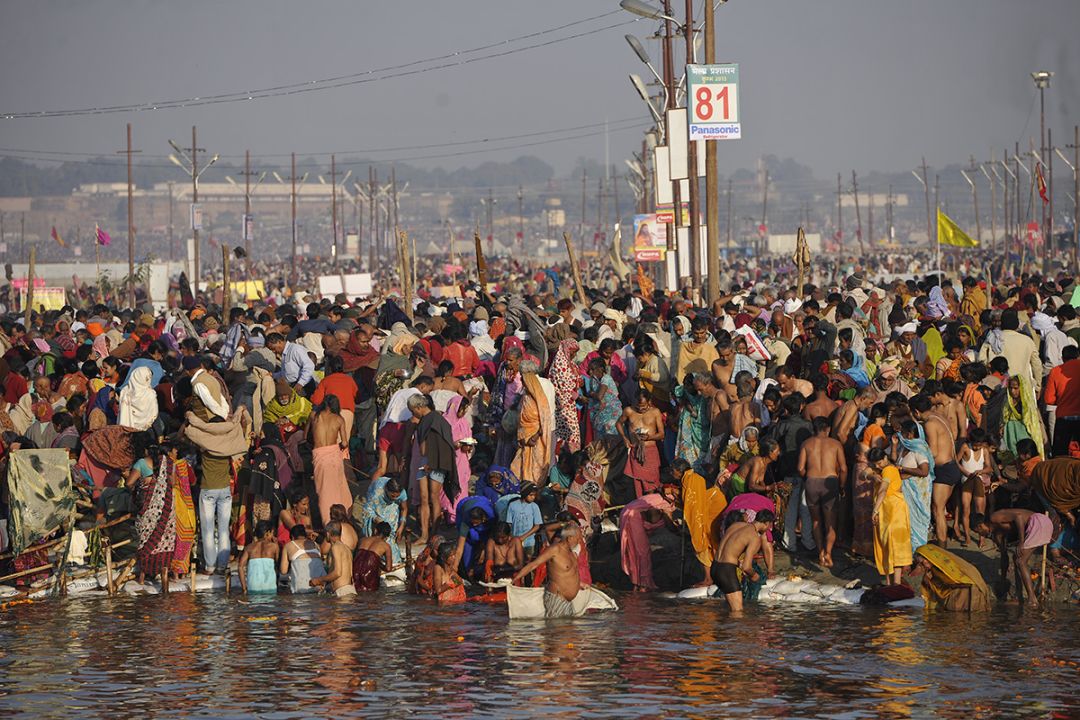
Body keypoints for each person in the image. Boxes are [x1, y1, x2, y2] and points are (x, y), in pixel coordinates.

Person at [973, 508, 1056, 607]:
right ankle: (1020, 598)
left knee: (1021, 561)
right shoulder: (997, 534)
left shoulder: (994, 517)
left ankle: (1032, 599)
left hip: (1039, 522)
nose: (980, 535)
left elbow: (1018, 517)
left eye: (978, 532)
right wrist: (1002, 579)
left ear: (980, 526)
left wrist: (1021, 542)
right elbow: (1004, 557)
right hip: (1039, 525)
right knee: (1016, 558)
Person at [909, 394, 959, 547]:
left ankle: (942, 548)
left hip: (944, 470)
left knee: (938, 510)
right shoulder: (939, 416)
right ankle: (940, 542)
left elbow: (934, 452)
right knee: (938, 509)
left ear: (917, 412)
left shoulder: (930, 423)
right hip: (951, 467)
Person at [797, 415, 847, 568]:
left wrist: (810, 478)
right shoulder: (835, 444)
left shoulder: (806, 443)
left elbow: (800, 468)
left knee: (816, 520)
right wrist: (841, 486)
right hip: (829, 483)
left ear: (814, 429)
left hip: (811, 482)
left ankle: (820, 552)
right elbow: (844, 468)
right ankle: (828, 553)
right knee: (830, 522)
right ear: (828, 429)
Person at [411, 392, 460, 544]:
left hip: (437, 463)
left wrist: (431, 462)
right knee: (424, 498)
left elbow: (443, 445)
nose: (413, 413)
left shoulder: (437, 420)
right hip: (423, 462)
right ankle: (424, 535)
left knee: (434, 497)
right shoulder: (424, 421)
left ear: (419, 407)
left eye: (413, 410)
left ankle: (433, 534)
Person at [712, 509, 775, 613]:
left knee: (729, 610)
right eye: (769, 526)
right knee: (738, 612)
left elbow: (728, 552)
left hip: (714, 567)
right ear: (767, 523)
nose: (769, 528)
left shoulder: (736, 525)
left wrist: (738, 564)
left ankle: (722, 629)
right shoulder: (754, 537)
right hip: (726, 571)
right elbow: (747, 567)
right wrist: (754, 575)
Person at [619, 484, 680, 592]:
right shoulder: (667, 502)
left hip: (627, 513)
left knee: (634, 551)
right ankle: (644, 584)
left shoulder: (659, 497)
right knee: (643, 551)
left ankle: (637, 583)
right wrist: (678, 531)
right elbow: (656, 520)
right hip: (632, 516)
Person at [513, 521, 585, 610]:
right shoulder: (555, 549)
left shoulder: (572, 553)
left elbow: (570, 573)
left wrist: (579, 584)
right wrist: (514, 580)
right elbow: (533, 565)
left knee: (571, 624)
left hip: (568, 602)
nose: (579, 542)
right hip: (557, 598)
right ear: (569, 538)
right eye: (577, 539)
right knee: (558, 624)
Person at [675, 458, 728, 578]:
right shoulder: (690, 478)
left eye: (673, 471)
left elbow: (693, 505)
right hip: (713, 506)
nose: (672, 474)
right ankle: (715, 575)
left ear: (679, 471)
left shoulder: (692, 479)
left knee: (702, 538)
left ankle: (708, 578)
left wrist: (695, 526)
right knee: (711, 540)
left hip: (713, 508)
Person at [868, 447, 912, 585]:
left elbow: (882, 490)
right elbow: (863, 473)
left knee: (895, 546)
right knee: (884, 544)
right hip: (885, 511)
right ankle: (889, 583)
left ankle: (896, 583)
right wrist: (872, 475)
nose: (877, 466)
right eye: (875, 464)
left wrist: (874, 510)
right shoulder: (879, 469)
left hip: (894, 511)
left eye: (879, 463)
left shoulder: (889, 470)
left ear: (885, 458)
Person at [308, 395, 351, 526]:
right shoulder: (339, 419)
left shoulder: (313, 416)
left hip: (319, 456)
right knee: (339, 489)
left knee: (323, 492)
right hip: (333, 457)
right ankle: (342, 521)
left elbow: (306, 436)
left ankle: (327, 523)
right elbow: (344, 442)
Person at [512, 360, 553, 484]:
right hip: (526, 440)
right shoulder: (527, 397)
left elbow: (544, 419)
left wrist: (534, 437)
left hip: (536, 438)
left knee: (535, 469)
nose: (522, 383)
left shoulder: (538, 398)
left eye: (523, 380)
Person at [619, 392, 664, 497]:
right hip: (636, 451)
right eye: (639, 406)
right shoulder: (629, 411)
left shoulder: (655, 412)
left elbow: (662, 434)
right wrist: (624, 438)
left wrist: (650, 437)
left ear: (649, 402)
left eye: (644, 406)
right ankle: (641, 507)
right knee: (638, 484)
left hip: (651, 451)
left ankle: (651, 505)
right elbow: (618, 423)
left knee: (652, 483)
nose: (641, 408)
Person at [360, 476, 408, 563]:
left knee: (390, 536)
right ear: (386, 490)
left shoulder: (402, 493)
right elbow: (368, 510)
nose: (394, 498)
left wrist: (401, 527)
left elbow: (404, 509)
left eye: (396, 497)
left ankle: (391, 556)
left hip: (391, 510)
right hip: (377, 510)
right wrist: (376, 519)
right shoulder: (376, 492)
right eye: (392, 496)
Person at [310, 521, 356, 597]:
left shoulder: (335, 547)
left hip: (342, 592)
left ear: (328, 533)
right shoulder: (346, 548)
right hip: (348, 589)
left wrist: (319, 580)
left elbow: (337, 573)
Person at [280, 524, 326, 594]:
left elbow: (283, 571)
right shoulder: (316, 544)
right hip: (320, 585)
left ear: (292, 537)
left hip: (301, 587)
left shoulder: (288, 545)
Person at [239, 520, 280, 595]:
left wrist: (244, 588)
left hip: (253, 586)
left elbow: (240, 567)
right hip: (270, 586)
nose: (273, 536)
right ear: (267, 533)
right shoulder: (274, 547)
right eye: (272, 533)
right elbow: (278, 565)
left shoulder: (249, 547)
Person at [353, 521, 394, 592]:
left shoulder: (362, 540)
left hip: (355, 574)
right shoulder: (386, 546)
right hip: (369, 579)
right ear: (387, 536)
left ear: (375, 530)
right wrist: (379, 564)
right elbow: (388, 568)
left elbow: (356, 558)